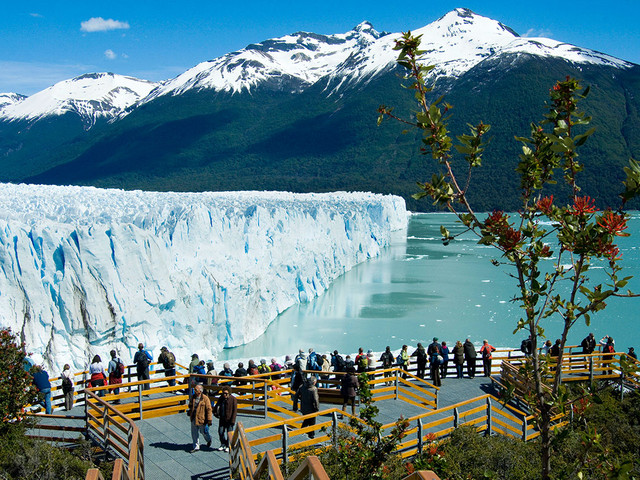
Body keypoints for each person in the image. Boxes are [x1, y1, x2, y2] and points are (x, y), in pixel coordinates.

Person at [187, 383, 213, 453]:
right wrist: (190, 411)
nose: (194, 391)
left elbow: (209, 409)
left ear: (200, 391)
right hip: (194, 418)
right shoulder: (193, 397)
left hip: (202, 419)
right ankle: (196, 446)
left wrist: (209, 419)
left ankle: (209, 439)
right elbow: (190, 405)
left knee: (204, 432)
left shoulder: (205, 399)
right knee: (194, 433)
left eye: (196, 390)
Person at [213, 385, 237, 452]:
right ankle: (223, 443)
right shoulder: (221, 398)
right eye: (223, 393)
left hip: (229, 420)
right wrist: (215, 413)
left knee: (229, 434)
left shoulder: (233, 399)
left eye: (226, 393)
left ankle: (228, 446)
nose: (224, 395)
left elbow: (234, 411)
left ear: (229, 393)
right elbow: (217, 405)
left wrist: (233, 420)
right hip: (222, 419)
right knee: (220, 432)